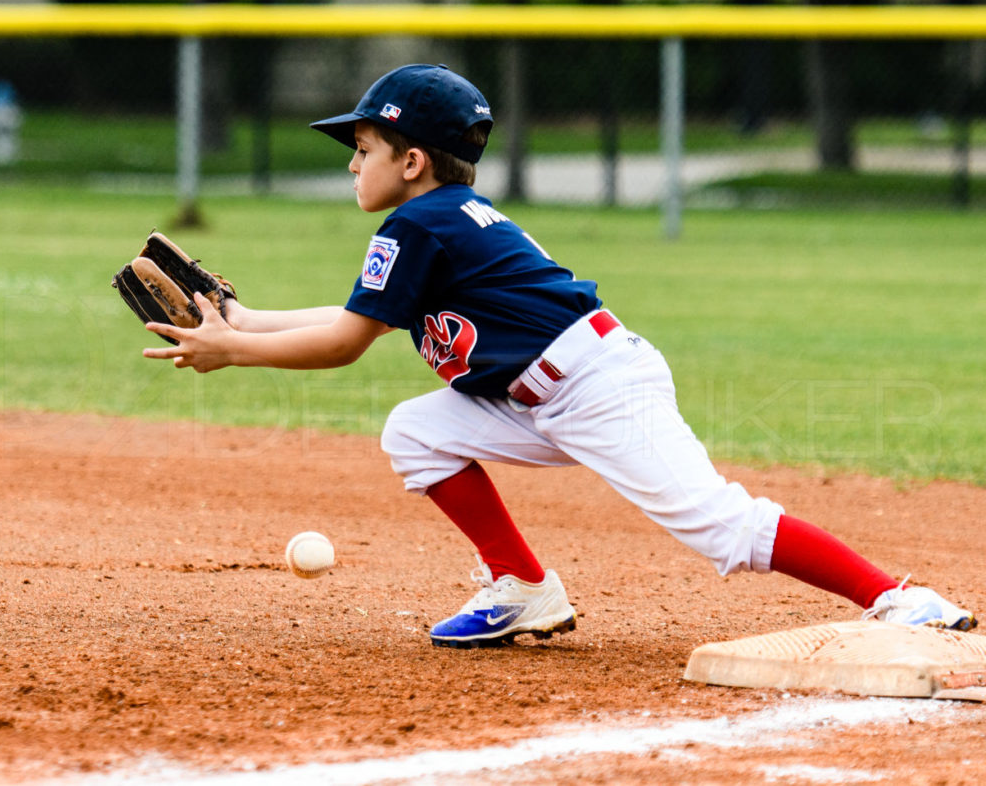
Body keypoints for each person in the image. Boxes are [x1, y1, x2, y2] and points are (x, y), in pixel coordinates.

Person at [143, 64, 976, 648]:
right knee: (417, 432)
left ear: (412, 160)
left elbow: (344, 344)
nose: (353, 162)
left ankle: (898, 598)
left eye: (361, 147)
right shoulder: (443, 219)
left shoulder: (417, 225)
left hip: (596, 387)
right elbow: (360, 314)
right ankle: (524, 590)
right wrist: (242, 320)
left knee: (719, 524)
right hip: (535, 395)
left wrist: (232, 352)